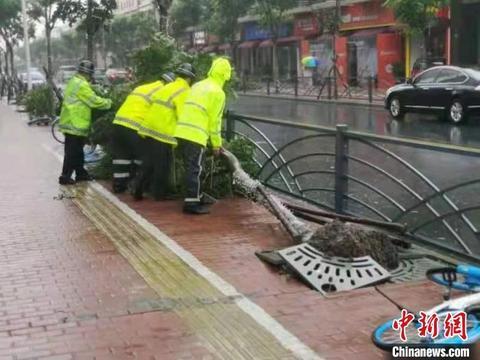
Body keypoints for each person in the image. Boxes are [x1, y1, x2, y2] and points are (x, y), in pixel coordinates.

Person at [174, 57, 231, 214]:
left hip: (181, 131)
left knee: (191, 168)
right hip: (195, 134)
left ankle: (197, 196)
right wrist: (216, 145)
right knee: (195, 169)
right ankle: (192, 204)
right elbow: (215, 122)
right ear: (226, 76)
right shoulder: (218, 93)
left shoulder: (198, 85)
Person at [135, 64, 196, 200]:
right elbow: (182, 114)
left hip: (148, 127)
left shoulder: (168, 86)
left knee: (149, 161)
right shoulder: (184, 90)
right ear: (190, 79)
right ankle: (159, 194)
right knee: (163, 165)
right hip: (163, 131)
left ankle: (138, 189)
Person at [111, 72, 176, 193]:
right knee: (143, 157)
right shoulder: (163, 92)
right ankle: (136, 184)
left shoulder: (142, 87)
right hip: (135, 125)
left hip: (118, 123)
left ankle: (119, 186)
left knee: (121, 156)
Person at [58, 59, 112, 185]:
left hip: (71, 121)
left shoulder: (74, 81)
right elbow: (93, 101)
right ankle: (65, 176)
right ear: (88, 73)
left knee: (77, 151)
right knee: (72, 152)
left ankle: (81, 174)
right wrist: (109, 103)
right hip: (75, 123)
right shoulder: (81, 85)